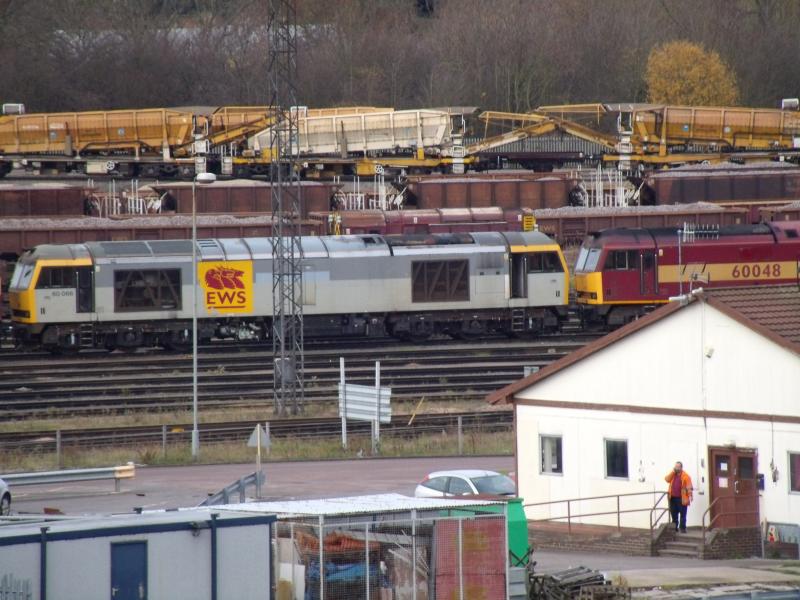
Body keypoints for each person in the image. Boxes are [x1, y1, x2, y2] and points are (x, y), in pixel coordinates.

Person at [665, 461, 693, 533]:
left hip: (682, 498)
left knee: (683, 514)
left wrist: (690, 495)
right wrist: (672, 472)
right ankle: (674, 528)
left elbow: (689, 486)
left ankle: (682, 528)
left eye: (678, 467)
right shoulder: (673, 475)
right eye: (675, 466)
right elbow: (667, 479)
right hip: (672, 498)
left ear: (681, 468)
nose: (676, 468)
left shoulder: (686, 476)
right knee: (674, 514)